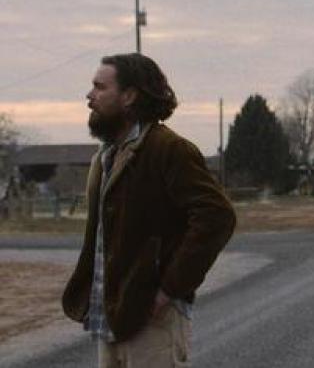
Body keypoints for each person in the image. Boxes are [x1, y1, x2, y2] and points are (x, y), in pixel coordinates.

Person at [62, 53, 236, 367]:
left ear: (129, 96)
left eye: (100, 88)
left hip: (152, 322)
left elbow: (217, 217)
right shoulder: (105, 156)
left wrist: (170, 289)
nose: (90, 96)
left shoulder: (168, 149)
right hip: (111, 317)